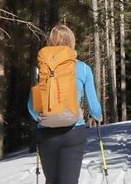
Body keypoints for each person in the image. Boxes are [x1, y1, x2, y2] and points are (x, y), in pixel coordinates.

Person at [28, 24, 103, 184]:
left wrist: (43, 119)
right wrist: (98, 116)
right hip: (73, 132)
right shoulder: (82, 68)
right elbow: (94, 107)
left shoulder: (42, 68)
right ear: (72, 42)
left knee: (52, 181)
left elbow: (32, 107)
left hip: (47, 134)